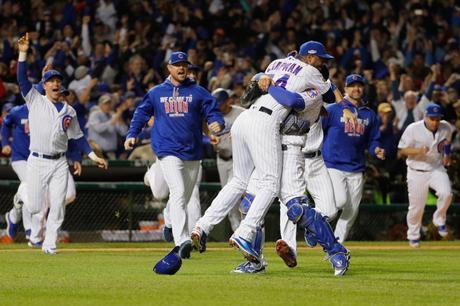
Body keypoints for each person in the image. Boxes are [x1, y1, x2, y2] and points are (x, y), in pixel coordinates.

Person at [191, 41, 341, 270]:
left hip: (248, 121)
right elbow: (322, 96)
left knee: (243, 184)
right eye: (322, 59)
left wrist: (265, 80)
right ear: (310, 59)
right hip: (267, 127)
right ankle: (245, 236)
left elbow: (252, 94)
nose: (324, 62)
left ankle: (202, 226)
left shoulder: (276, 64)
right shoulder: (312, 73)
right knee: (269, 187)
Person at [124, 51, 224, 259]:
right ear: (169, 68)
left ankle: (169, 220)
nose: (181, 68)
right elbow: (141, 113)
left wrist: (217, 123)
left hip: (192, 151)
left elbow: (212, 111)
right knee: (178, 192)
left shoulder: (198, 92)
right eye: (176, 64)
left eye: (184, 65)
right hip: (167, 150)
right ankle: (182, 241)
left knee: (184, 196)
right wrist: (132, 133)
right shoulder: (156, 92)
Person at [16, 33, 108, 254]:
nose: (56, 83)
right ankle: (22, 194)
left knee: (58, 205)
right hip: (37, 160)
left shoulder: (70, 110)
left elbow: (78, 138)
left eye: (58, 80)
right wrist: (22, 53)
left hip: (59, 162)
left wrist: (94, 157)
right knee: (36, 207)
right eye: (51, 81)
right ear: (44, 86)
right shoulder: (35, 101)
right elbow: (21, 79)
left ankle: (49, 244)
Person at [1, 90, 80, 242]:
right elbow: (5, 124)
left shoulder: (54, 113)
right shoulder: (19, 111)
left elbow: (70, 137)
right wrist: (5, 143)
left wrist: (76, 157)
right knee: (33, 189)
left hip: (48, 160)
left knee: (64, 195)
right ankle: (31, 231)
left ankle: (14, 215)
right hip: (22, 158)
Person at [322, 74, 385, 243]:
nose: (356, 89)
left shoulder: (369, 114)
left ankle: (337, 245)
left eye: (359, 86)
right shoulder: (333, 109)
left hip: (356, 166)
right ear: (345, 89)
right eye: (352, 86)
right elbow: (318, 132)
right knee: (341, 201)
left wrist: (376, 149)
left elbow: (373, 140)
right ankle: (315, 223)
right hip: (333, 164)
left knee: (352, 210)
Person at [398, 103, 453, 248]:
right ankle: (413, 236)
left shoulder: (446, 127)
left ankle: (439, 219)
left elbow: (446, 144)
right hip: (416, 171)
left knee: (446, 193)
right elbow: (402, 150)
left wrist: (447, 156)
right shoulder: (413, 128)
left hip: (436, 168)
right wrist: (418, 151)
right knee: (417, 208)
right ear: (425, 117)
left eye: (437, 119)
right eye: (432, 118)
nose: (435, 122)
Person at [211, 88, 245, 232]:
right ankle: (236, 230)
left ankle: (244, 229)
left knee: (236, 194)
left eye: (221, 103)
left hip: (238, 160)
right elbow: (204, 134)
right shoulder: (211, 116)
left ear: (228, 101)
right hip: (222, 160)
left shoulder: (241, 113)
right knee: (228, 198)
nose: (218, 106)